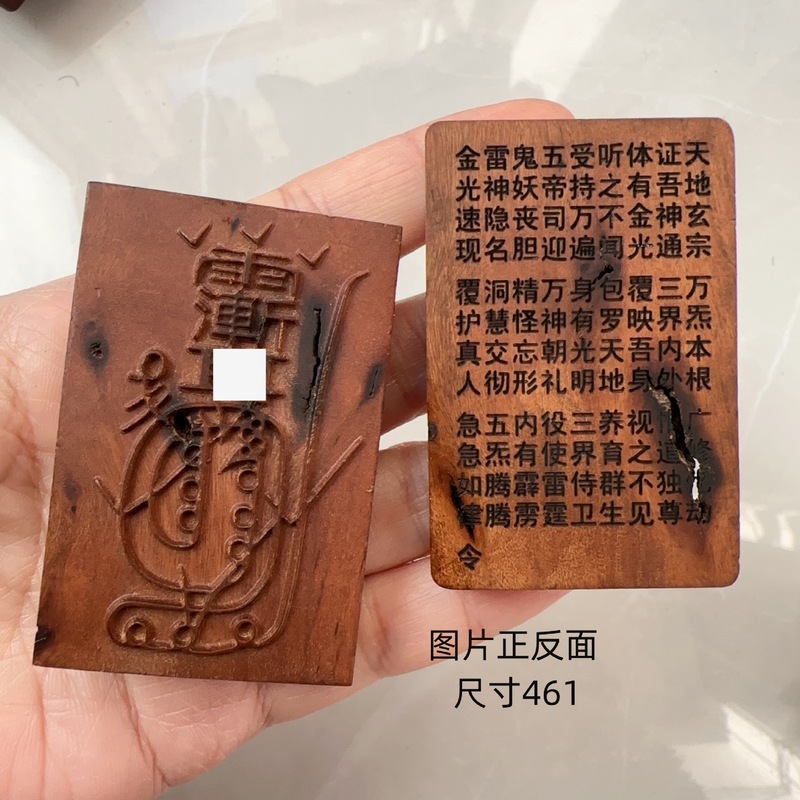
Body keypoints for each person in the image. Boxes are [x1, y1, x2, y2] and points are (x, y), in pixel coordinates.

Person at [0, 99, 571, 798]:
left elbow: (242, 404)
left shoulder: (252, 408)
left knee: (245, 436)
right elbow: (222, 400)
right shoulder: (217, 397)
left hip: (232, 514)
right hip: (200, 524)